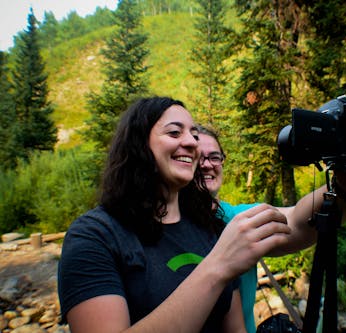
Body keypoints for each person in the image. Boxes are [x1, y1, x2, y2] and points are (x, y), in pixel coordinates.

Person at [57, 96, 292, 333]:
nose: (192, 143)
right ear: (138, 144)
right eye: (174, 133)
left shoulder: (210, 227)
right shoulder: (94, 237)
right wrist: (218, 265)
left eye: (194, 135)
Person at [198, 121, 346, 333]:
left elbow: (297, 222)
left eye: (215, 157)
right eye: (198, 157)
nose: (207, 164)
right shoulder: (159, 227)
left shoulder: (238, 218)